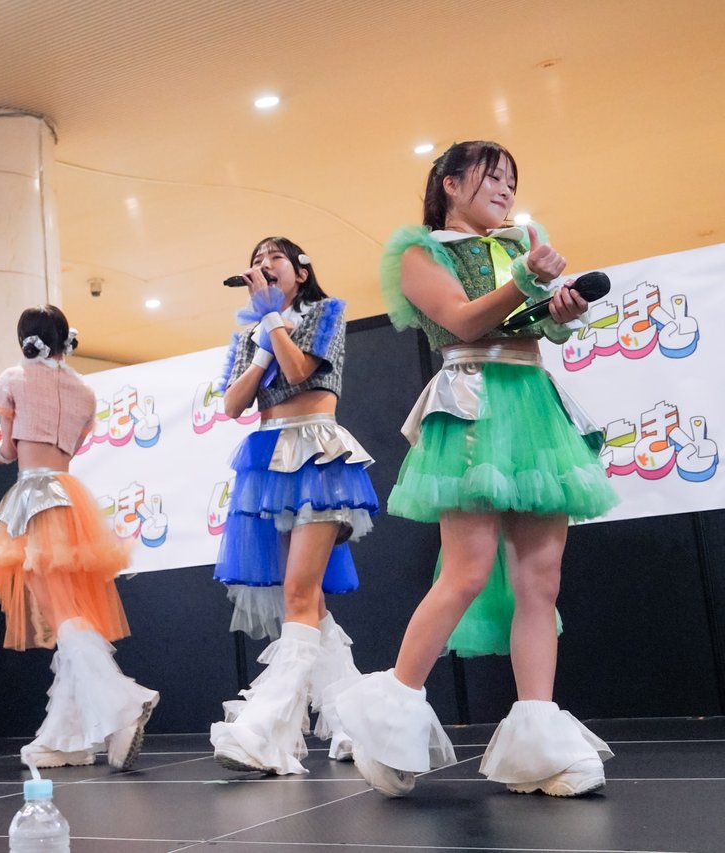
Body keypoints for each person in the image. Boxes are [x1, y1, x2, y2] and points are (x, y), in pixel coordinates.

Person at [330, 141, 619, 798]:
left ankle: (540, 742)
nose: (506, 189)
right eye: (494, 176)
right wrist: (528, 283)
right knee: (466, 570)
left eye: (513, 180)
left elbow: (537, 328)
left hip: (533, 401)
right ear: (451, 183)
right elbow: (461, 320)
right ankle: (390, 719)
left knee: (541, 579)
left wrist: (560, 309)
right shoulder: (420, 251)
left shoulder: (517, 245)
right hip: (471, 401)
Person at [208, 237, 379, 775]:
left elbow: (302, 371)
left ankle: (264, 731)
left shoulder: (326, 312)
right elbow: (233, 404)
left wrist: (273, 321)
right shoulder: (250, 332)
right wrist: (260, 347)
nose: (263, 267)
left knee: (299, 594)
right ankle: (355, 723)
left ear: (301, 271)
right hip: (270, 461)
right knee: (309, 601)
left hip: (318, 453)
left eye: (274, 259)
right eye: (256, 261)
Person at [0, 305, 159, 772]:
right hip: (71, 497)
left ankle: (123, 703)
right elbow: (67, 445)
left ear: (27, 341)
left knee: (63, 614)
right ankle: (68, 736)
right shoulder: (83, 390)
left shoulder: (14, 378)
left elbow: (9, 449)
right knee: (73, 611)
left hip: (34, 495)